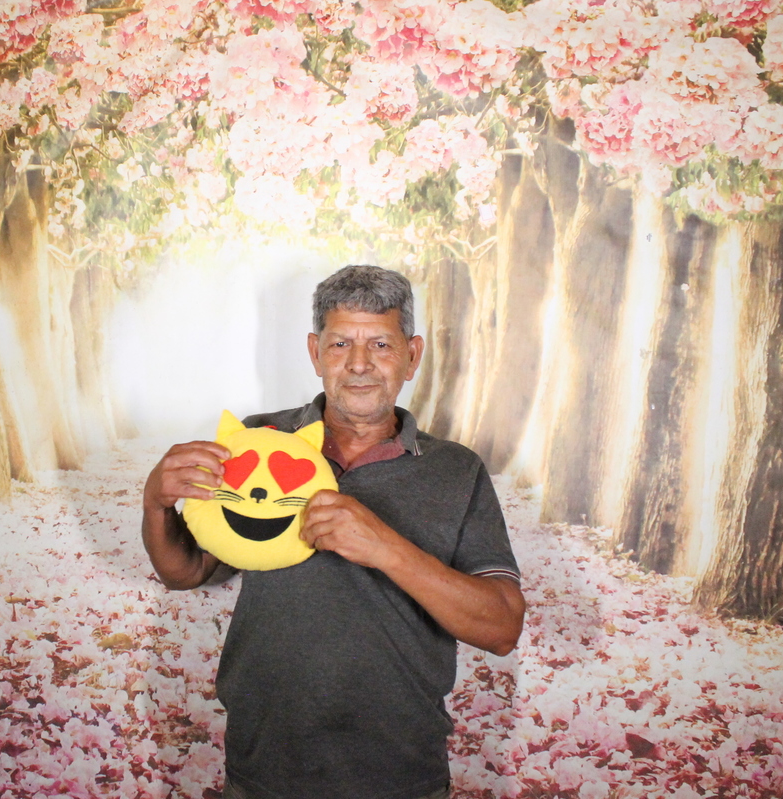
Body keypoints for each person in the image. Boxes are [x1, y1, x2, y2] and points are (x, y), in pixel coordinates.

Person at [142, 265, 525, 799]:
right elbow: (187, 572)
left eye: (381, 345)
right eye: (341, 343)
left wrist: (385, 547)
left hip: (403, 775)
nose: (359, 363)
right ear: (315, 352)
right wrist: (156, 503)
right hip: (263, 769)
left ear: (412, 356)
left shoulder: (457, 470)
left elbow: (502, 628)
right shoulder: (257, 441)